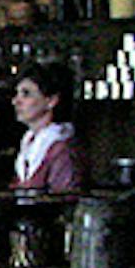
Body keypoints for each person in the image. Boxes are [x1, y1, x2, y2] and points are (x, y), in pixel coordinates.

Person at [9, 61, 86, 192]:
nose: (16, 101)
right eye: (17, 94)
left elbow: (63, 201)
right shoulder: (29, 144)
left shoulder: (61, 150)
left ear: (51, 101)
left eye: (26, 94)